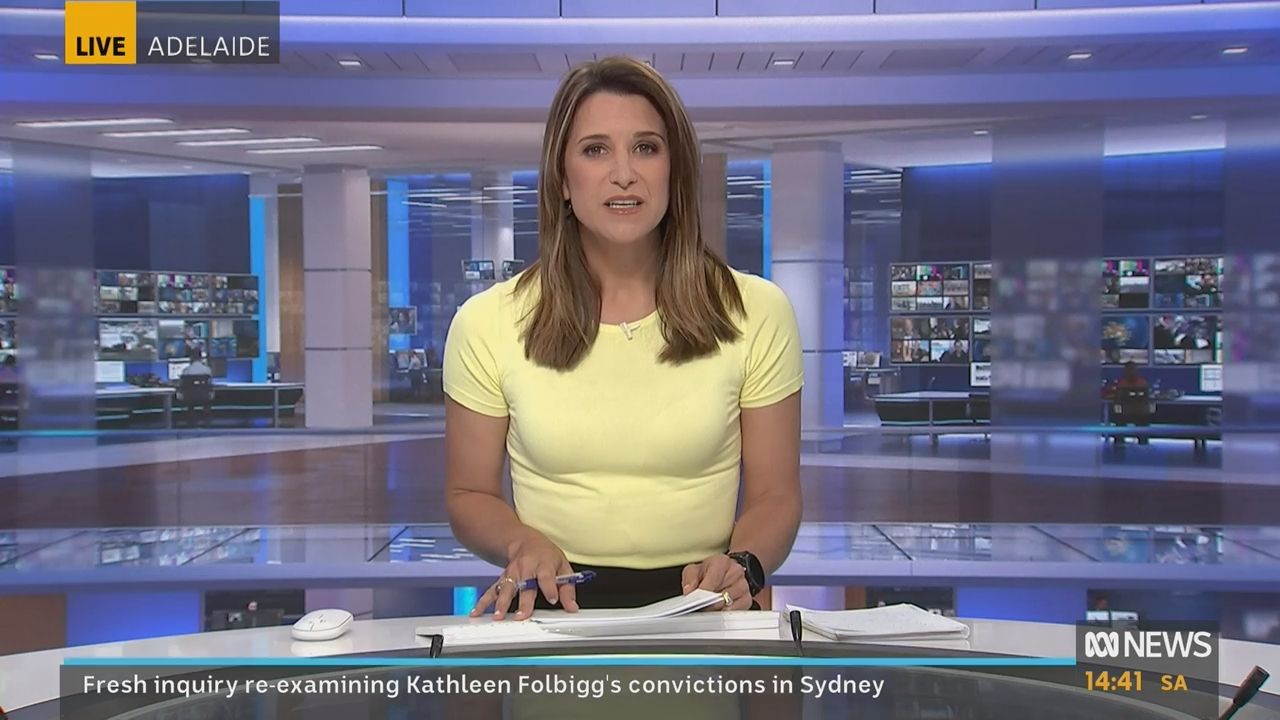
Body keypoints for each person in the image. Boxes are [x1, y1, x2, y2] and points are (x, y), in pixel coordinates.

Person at [444, 56, 803, 620]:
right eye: (595, 150)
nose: (624, 173)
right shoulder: (487, 322)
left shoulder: (756, 311)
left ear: (674, 171)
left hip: (706, 611)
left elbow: (776, 497)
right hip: (556, 611)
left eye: (646, 148)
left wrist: (743, 564)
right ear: (562, 179)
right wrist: (521, 542)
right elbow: (468, 495)